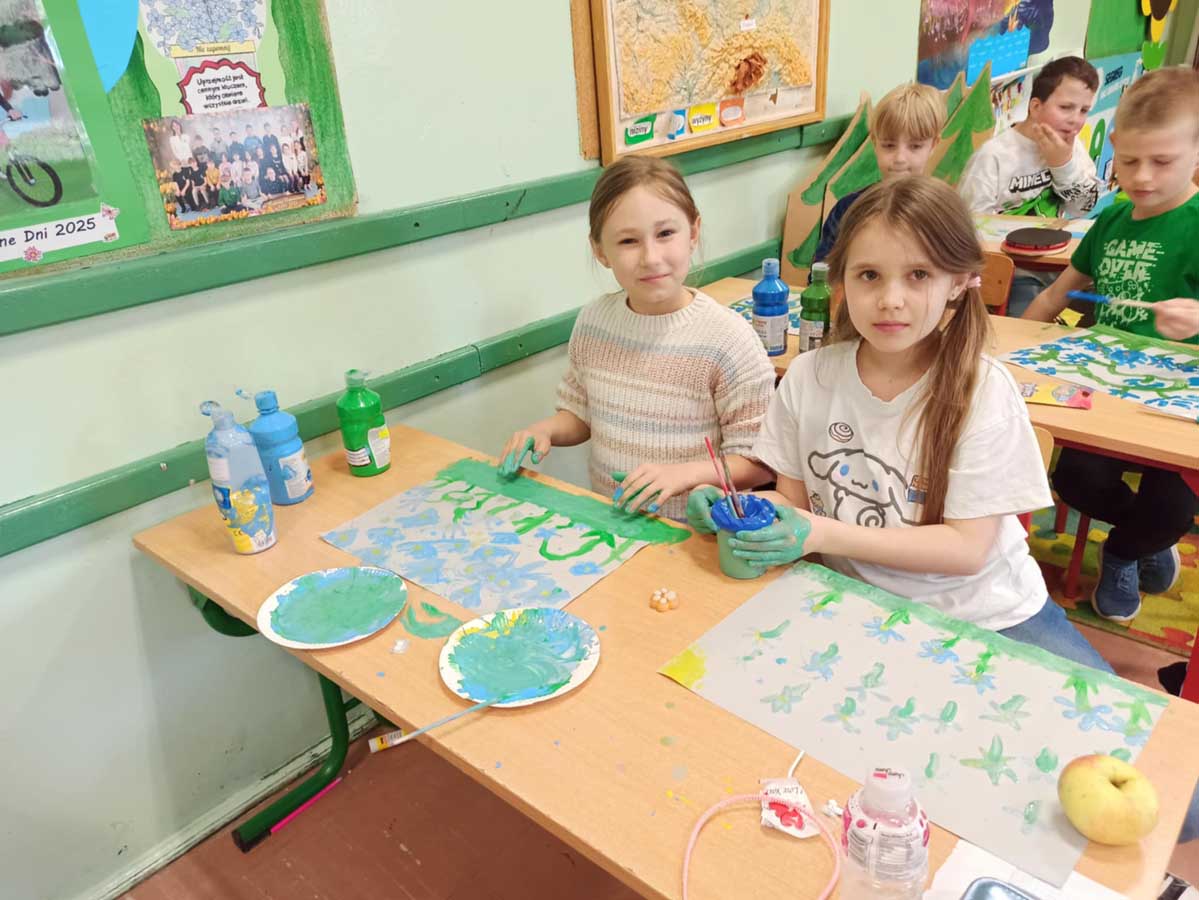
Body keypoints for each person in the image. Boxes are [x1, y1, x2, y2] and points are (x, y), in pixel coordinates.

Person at [498, 156, 776, 520]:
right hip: (612, 525)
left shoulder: (729, 340)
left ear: (693, 233)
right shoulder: (594, 322)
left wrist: (684, 475)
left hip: (693, 536)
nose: (651, 257)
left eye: (665, 234)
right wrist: (545, 430)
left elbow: (760, 464)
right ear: (600, 250)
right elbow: (581, 413)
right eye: (628, 241)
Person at [1022, 66, 1199, 629]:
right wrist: (1005, 356)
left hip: (1173, 407)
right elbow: (1055, 295)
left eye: (1162, 162)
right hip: (1102, 392)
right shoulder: (1115, 217)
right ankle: (1138, 537)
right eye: (1129, 160)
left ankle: (1125, 550)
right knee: (1072, 480)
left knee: (1173, 508)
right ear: (1113, 147)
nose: (1141, 177)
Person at [958, 57, 1102, 316]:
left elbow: (1082, 208)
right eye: (1066, 107)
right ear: (1035, 106)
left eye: (1084, 110)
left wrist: (1063, 164)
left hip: (1061, 266)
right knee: (1030, 316)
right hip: (1013, 271)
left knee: (1104, 306)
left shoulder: (1073, 148)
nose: (1075, 120)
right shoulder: (994, 156)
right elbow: (969, 227)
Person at [813, 82, 945, 265]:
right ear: (875, 143)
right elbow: (821, 273)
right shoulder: (848, 210)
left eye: (915, 146)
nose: (900, 158)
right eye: (889, 145)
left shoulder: (943, 214)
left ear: (933, 145)